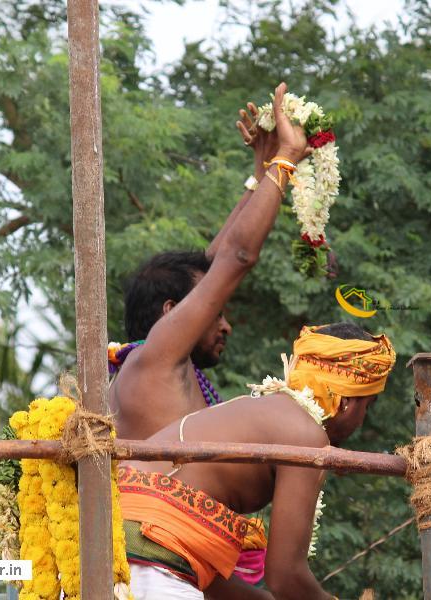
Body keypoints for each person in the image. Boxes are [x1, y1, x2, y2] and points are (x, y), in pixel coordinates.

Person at [119, 322, 398, 600]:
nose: (362, 421)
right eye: (368, 405)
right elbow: (286, 577)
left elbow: (186, 559)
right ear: (347, 401)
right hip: (149, 557)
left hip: (110, 544)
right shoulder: (307, 436)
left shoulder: (261, 409)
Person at [109, 81, 308, 442]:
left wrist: (262, 176)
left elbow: (218, 261)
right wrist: (287, 158)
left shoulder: (163, 362)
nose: (226, 325)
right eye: (214, 312)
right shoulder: (151, 361)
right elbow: (237, 257)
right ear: (171, 312)